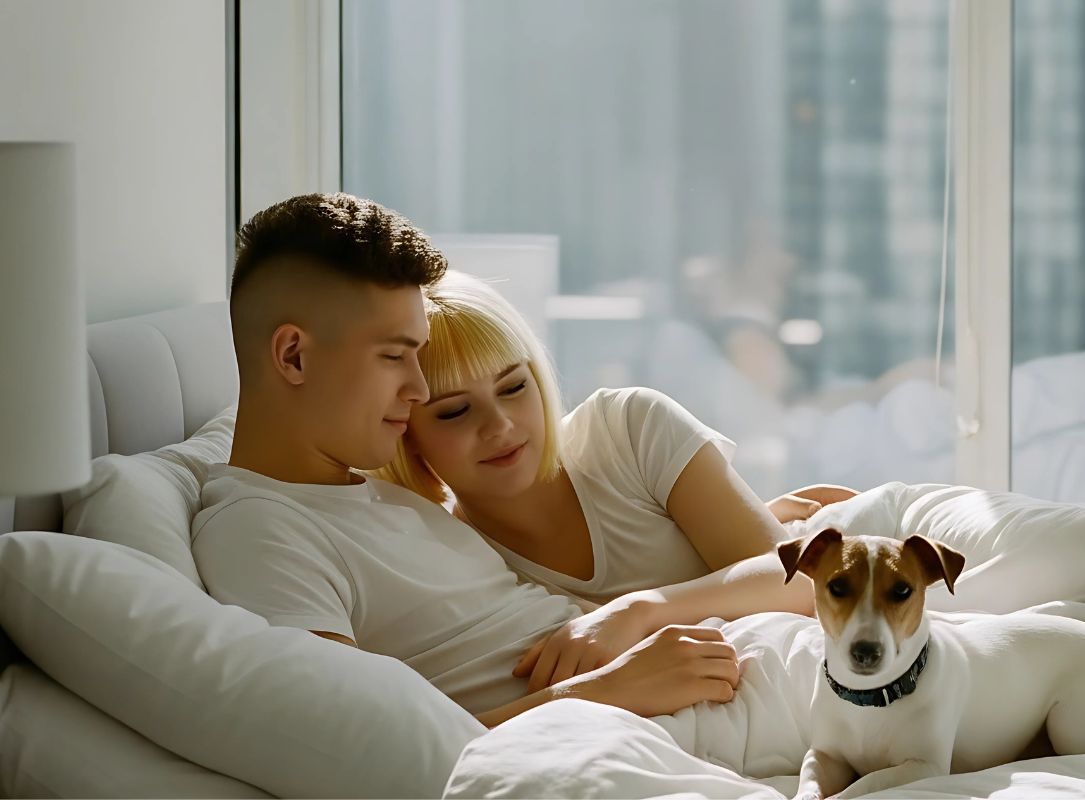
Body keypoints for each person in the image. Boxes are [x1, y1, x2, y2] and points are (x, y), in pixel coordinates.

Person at [188, 193, 808, 729]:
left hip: (704, 676)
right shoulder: (259, 529)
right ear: (293, 357)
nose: (414, 390)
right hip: (648, 713)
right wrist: (608, 692)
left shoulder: (385, 498)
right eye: (394, 356)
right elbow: (352, 751)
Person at [368, 270, 858, 693]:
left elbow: (804, 586)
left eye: (514, 386)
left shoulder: (627, 427)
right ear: (408, 437)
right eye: (454, 411)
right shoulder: (452, 562)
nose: (499, 425)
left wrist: (637, 611)